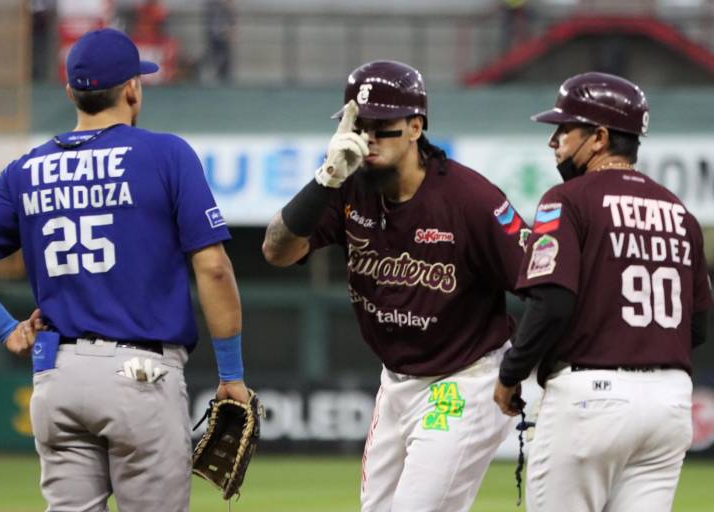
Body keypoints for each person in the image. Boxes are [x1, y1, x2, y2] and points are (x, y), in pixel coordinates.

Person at [0, 28, 248, 512]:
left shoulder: (26, 170)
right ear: (132, 89)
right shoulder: (166, 154)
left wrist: (6, 329)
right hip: (140, 376)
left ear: (71, 93)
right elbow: (213, 268)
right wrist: (231, 373)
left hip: (57, 379)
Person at [262, 60, 529, 512]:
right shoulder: (346, 187)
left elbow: (540, 284)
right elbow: (276, 250)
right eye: (358, 125)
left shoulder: (469, 199)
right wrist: (326, 177)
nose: (367, 138)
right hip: (397, 382)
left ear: (415, 127)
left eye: (382, 126)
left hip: (465, 378)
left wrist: (523, 370)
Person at [493, 72, 713, 511]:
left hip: (591, 397)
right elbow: (699, 325)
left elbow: (552, 303)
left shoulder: (568, 198)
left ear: (599, 137)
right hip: (669, 402)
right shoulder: (680, 213)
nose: (553, 140)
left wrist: (510, 373)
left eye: (564, 128)